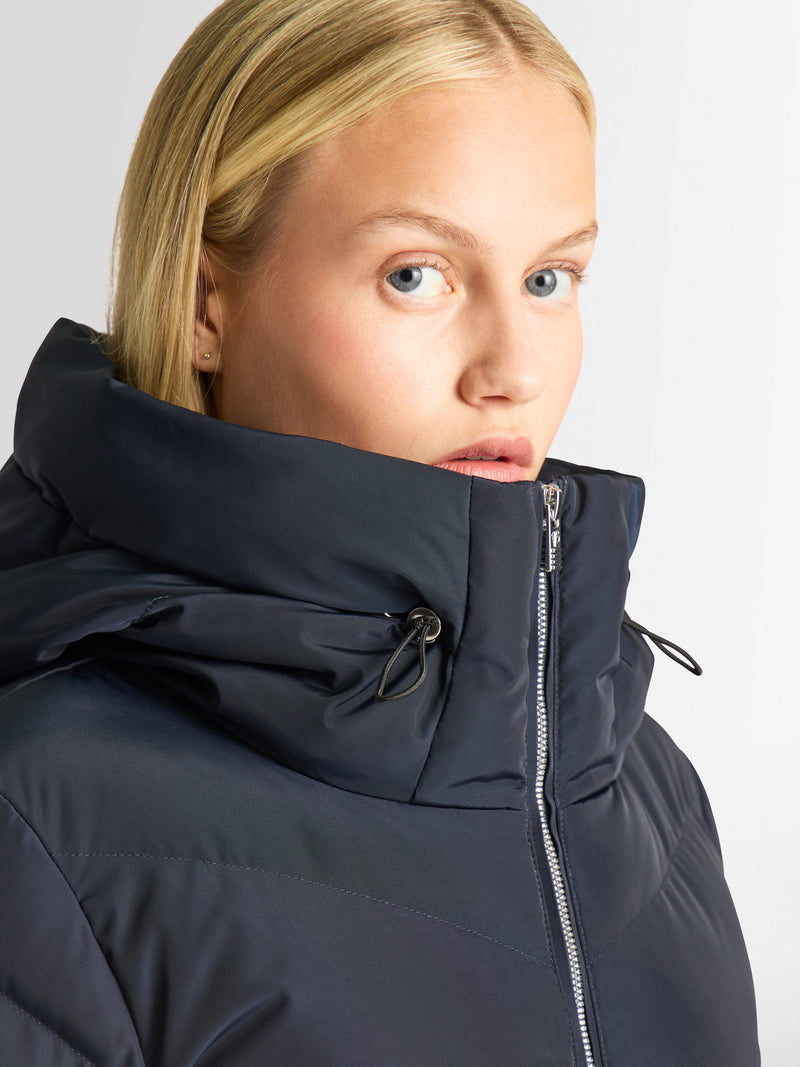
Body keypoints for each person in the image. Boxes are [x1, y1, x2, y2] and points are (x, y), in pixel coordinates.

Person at [0, 0, 759, 1063]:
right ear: (206, 304)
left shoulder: (645, 786)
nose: (512, 370)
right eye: (415, 275)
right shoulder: (39, 818)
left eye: (548, 279)